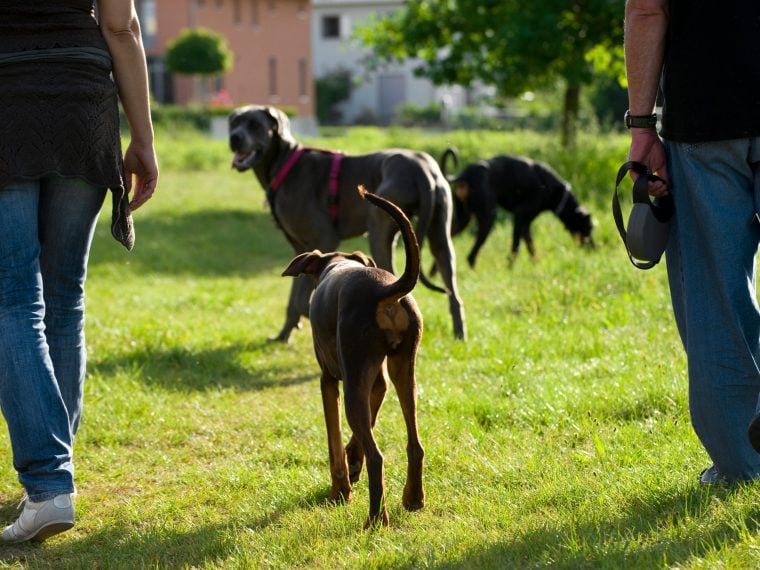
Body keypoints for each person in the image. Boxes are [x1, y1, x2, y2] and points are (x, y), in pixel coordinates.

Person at [0, 0, 158, 542]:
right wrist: (143, 138)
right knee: (63, 294)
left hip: (7, 98)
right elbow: (122, 25)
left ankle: (48, 484)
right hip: (82, 99)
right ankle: (54, 475)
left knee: (13, 296)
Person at [624, 0, 760, 484]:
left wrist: (642, 127)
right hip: (707, 120)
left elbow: (646, 9)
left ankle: (743, 468)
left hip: (708, 115)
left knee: (715, 296)